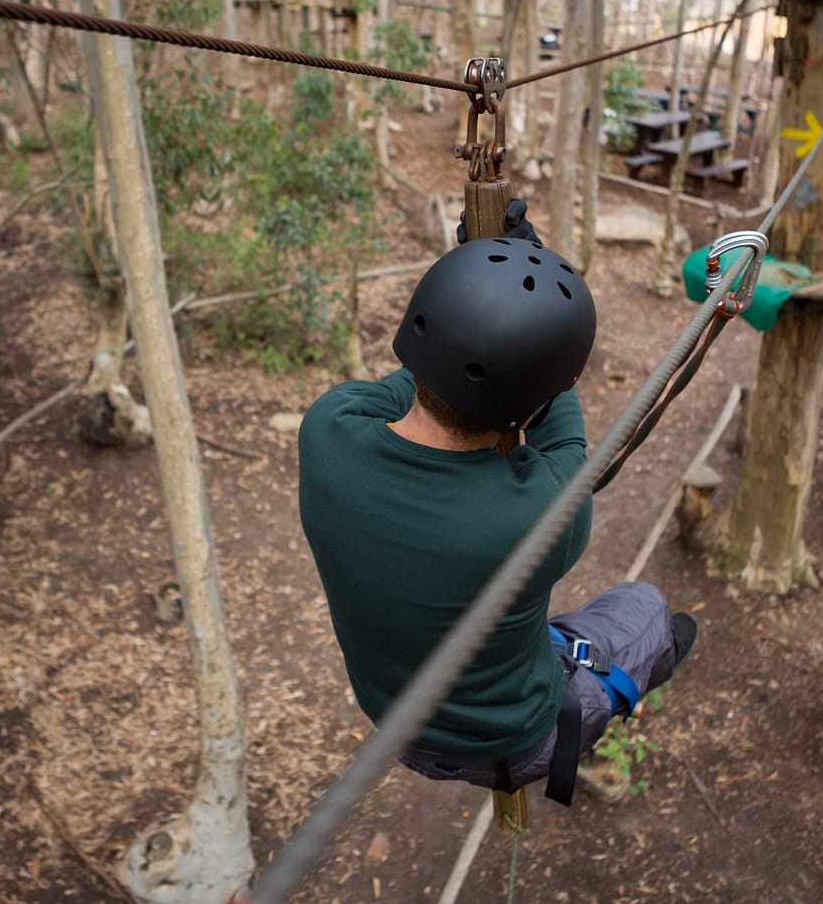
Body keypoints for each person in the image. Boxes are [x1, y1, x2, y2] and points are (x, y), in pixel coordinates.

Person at [298, 215, 696, 806]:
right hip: (512, 741)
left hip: (396, 726)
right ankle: (623, 685)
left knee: (525, 624)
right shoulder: (541, 514)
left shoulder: (328, 430)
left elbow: (421, 376)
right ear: (534, 400)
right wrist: (520, 317)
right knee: (651, 611)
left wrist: (477, 301)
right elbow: (564, 442)